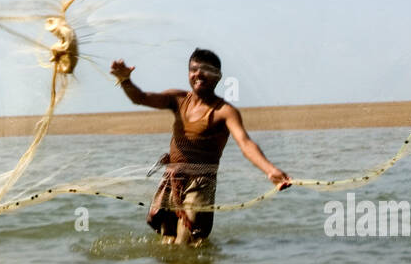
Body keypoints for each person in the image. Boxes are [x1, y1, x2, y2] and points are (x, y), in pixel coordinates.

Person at [111, 48, 291, 246]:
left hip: (201, 183)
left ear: (218, 76)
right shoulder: (177, 99)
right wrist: (125, 80)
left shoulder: (224, 111)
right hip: (173, 180)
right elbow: (141, 98)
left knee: (185, 242)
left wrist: (270, 170)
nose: (198, 74)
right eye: (193, 69)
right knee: (167, 241)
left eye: (205, 69)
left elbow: (245, 143)